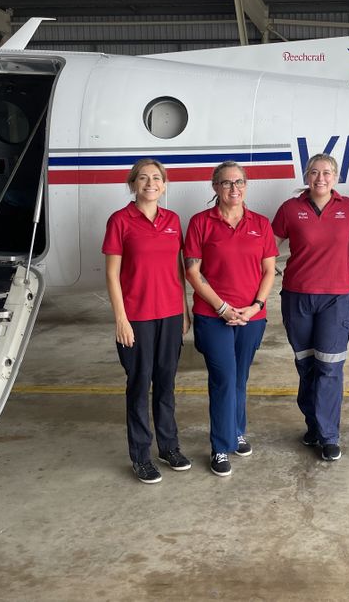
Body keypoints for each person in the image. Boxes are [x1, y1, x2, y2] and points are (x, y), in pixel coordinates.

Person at [184, 162, 278, 477]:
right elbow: (193, 272)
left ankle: (237, 431)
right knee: (224, 378)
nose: (233, 189)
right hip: (213, 316)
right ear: (215, 187)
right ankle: (220, 446)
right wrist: (222, 307)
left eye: (239, 182)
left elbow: (268, 271)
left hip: (252, 316)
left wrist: (255, 306)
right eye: (226, 183)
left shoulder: (261, 224)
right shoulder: (200, 223)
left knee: (239, 378)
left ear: (246, 186)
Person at [103, 158, 191, 484]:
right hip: (137, 318)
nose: (150, 183)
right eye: (143, 178)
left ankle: (169, 447)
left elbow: (178, 269)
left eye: (156, 178)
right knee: (139, 386)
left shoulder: (173, 220)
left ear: (164, 185)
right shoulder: (120, 221)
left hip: (170, 315)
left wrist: (184, 309)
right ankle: (141, 456)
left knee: (166, 385)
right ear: (133, 184)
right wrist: (121, 319)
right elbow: (112, 275)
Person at [272, 153, 349, 462]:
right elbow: (269, 245)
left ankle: (328, 435)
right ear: (307, 176)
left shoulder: (348, 208)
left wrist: (338, 263)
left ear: (335, 177)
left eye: (327, 173)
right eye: (314, 172)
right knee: (306, 364)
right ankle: (313, 424)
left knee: (330, 366)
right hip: (298, 296)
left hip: (336, 298)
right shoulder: (290, 209)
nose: (320, 178)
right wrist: (273, 270)